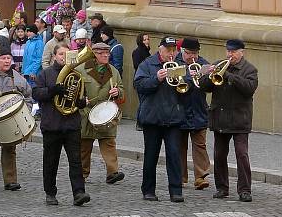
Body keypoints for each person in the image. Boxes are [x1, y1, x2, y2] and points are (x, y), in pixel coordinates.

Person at [200, 39, 258, 202]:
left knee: (242, 155)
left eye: (233, 52)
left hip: (240, 119)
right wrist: (209, 75)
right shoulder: (219, 64)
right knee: (219, 155)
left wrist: (229, 76)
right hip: (220, 118)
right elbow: (205, 87)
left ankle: (245, 190)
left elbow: (249, 89)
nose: (229, 55)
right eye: (228, 51)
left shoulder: (250, 70)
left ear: (241, 52)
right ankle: (222, 188)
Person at [32, 44, 90, 206]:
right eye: (60, 54)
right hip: (52, 125)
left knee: (76, 161)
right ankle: (50, 193)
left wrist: (80, 102)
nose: (63, 57)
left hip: (71, 124)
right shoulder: (45, 74)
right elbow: (36, 93)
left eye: (66, 54)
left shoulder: (76, 75)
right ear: (54, 56)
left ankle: (79, 192)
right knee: (51, 161)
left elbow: (81, 99)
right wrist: (53, 91)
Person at [134, 37, 187, 202]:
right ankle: (148, 190)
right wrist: (156, 78)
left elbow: (187, 88)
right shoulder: (147, 64)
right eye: (168, 50)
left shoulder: (178, 64)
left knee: (174, 155)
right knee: (151, 156)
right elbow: (139, 86)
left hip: (173, 117)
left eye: (174, 50)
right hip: (152, 117)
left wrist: (186, 81)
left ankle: (176, 191)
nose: (171, 53)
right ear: (160, 49)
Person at [76, 42, 125, 185]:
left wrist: (118, 92)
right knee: (84, 146)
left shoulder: (114, 71)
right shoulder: (81, 70)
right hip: (86, 113)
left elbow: (121, 89)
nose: (106, 56)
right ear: (94, 55)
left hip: (106, 113)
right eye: (102, 53)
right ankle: (82, 174)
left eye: (107, 53)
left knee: (109, 143)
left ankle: (112, 172)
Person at [0, 36, 32, 191]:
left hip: (10, 121)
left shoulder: (18, 78)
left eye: (9, 58)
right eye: (3, 58)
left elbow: (28, 95)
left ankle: (10, 180)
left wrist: (25, 111)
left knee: (10, 149)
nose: (7, 61)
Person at [175, 37, 211, 190]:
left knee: (200, 145)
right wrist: (191, 76)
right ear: (182, 51)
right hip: (179, 110)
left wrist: (208, 76)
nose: (192, 57)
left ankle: (201, 176)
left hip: (198, 109)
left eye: (195, 53)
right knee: (179, 146)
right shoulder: (175, 63)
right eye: (189, 53)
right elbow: (176, 82)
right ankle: (181, 176)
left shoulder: (202, 63)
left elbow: (209, 87)